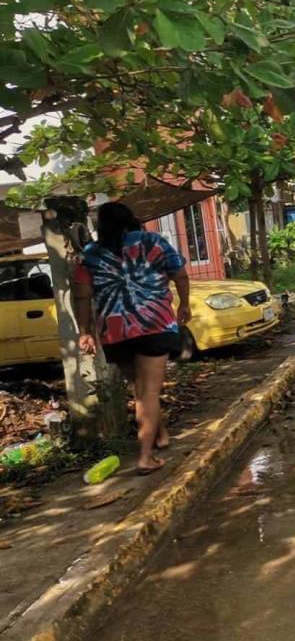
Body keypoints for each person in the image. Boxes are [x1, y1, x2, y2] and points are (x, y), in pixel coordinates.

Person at [73, 202, 191, 474]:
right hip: (154, 326)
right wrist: (184, 304)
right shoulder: (154, 242)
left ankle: (160, 435)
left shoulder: (90, 254)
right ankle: (145, 457)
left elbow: (81, 295)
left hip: (115, 333)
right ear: (132, 220)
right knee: (148, 392)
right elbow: (180, 275)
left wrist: (84, 332)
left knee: (141, 390)